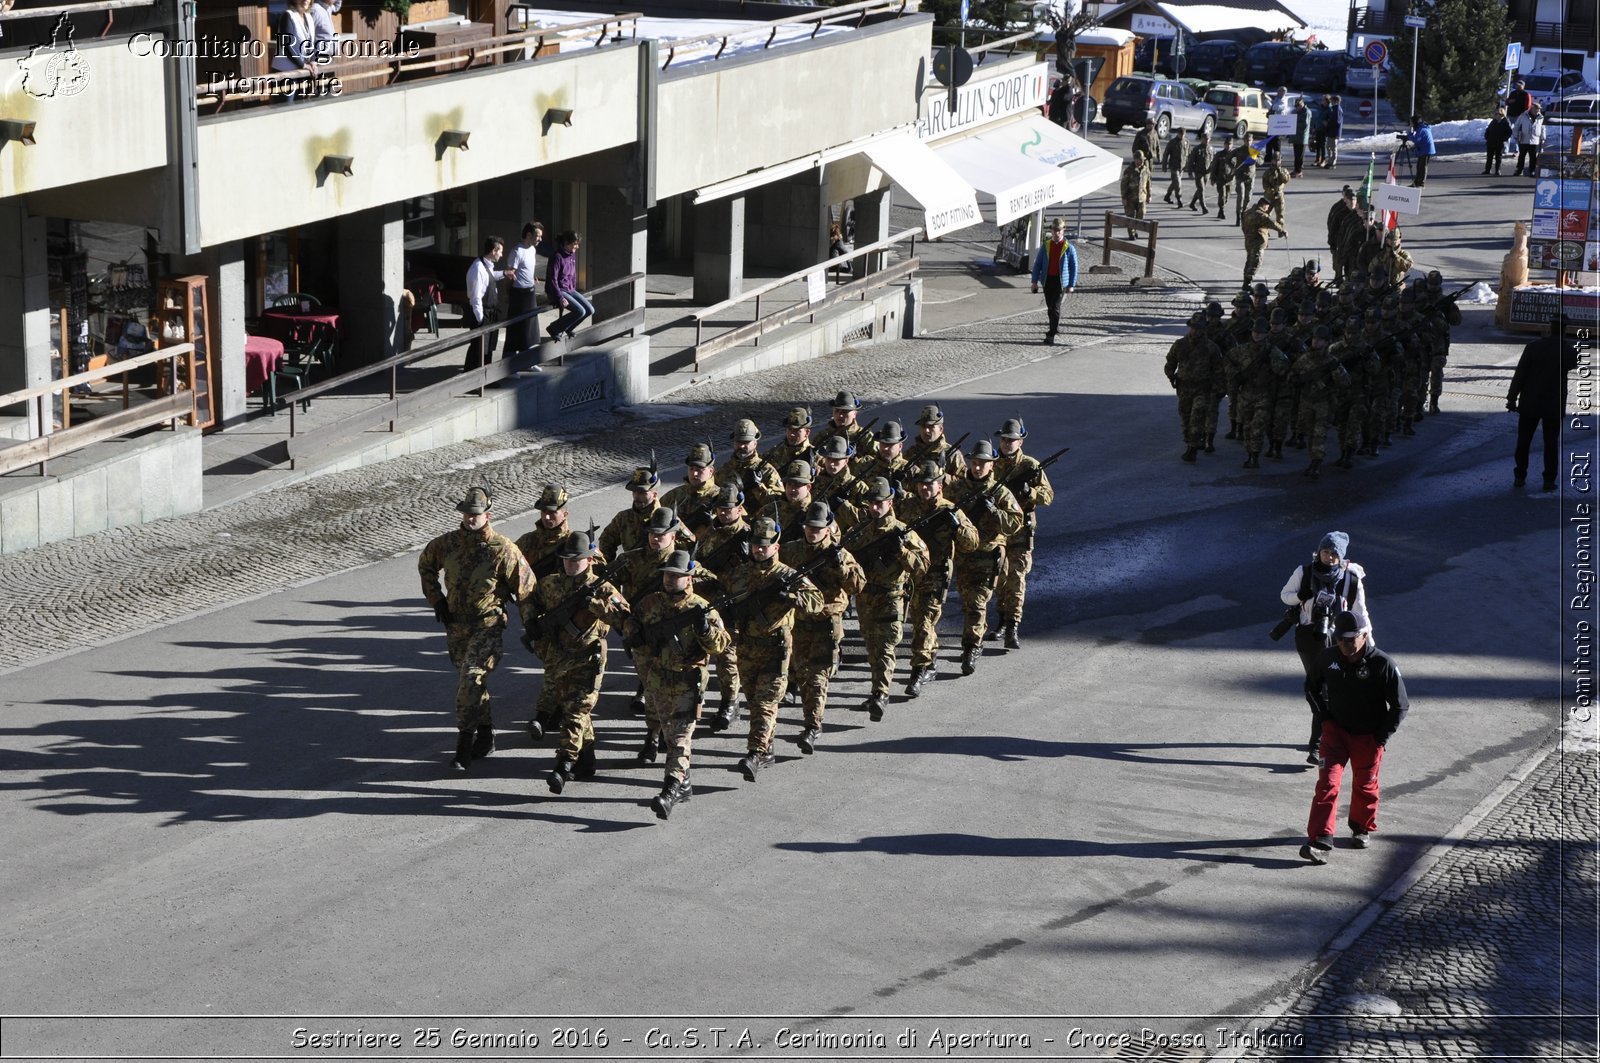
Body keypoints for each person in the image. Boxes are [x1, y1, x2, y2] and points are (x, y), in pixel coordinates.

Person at [417, 486, 537, 772]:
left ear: (488, 515)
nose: (471, 519)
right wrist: (437, 600)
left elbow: (527, 588)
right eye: (467, 514)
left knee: (470, 679)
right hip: (457, 627)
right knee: (472, 681)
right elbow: (426, 566)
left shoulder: (503, 549)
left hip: (488, 626)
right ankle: (485, 733)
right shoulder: (446, 544)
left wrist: (533, 624)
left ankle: (464, 745)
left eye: (476, 515)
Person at [624, 549, 732, 820]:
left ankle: (669, 791)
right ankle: (683, 783)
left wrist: (704, 630)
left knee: (680, 739)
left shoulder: (702, 608)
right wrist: (635, 636)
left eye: (677, 576)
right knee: (670, 737)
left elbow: (721, 645)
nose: (671, 580)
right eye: (668, 575)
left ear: (690, 577)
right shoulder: (649, 604)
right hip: (658, 681)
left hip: (687, 682)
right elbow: (632, 626)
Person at [526, 529, 631, 795]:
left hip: (589, 658)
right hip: (558, 656)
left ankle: (564, 763)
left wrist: (597, 606)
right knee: (575, 710)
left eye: (577, 559)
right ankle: (587, 758)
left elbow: (625, 618)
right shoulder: (549, 584)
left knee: (574, 712)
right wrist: (533, 623)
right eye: (567, 559)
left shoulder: (604, 588)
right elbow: (530, 601)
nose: (571, 564)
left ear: (590, 560)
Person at [719, 516, 824, 780]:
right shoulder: (739, 574)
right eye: (756, 544)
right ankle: (767, 749)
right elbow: (724, 601)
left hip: (775, 651)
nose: (759, 549)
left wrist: (790, 597)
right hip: (745, 650)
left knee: (766, 703)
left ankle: (754, 754)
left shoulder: (787, 576)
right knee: (755, 702)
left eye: (765, 545)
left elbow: (817, 601)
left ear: (776, 546)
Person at [1300, 610, 1408, 864]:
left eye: (1350, 639)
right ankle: (1320, 840)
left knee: (1365, 785)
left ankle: (1361, 827)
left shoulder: (1383, 664)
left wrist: (1380, 737)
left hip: (1368, 737)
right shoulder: (1328, 658)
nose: (1344, 644)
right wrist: (1324, 718)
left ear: (1365, 635)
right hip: (1335, 733)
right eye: (1340, 639)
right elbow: (1311, 687)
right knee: (1327, 784)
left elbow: (1400, 706)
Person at [779, 502, 865, 753]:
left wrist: (840, 566)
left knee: (817, 676)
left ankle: (812, 726)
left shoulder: (839, 554)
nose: (812, 532)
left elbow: (857, 586)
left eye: (818, 528)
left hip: (827, 622)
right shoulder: (791, 550)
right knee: (799, 672)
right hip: (798, 621)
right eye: (809, 527)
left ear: (828, 528)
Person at [1279, 531, 1372, 764]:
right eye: (1325, 552)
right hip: (1308, 638)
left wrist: (1369, 645)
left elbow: (1361, 613)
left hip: (1340, 639)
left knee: (1329, 690)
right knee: (1319, 689)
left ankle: (1318, 744)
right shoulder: (1304, 572)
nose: (1329, 557)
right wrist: (1301, 595)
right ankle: (1325, 739)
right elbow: (1285, 595)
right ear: (1318, 552)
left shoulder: (1351, 579)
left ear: (1341, 557)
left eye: (1334, 554)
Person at [897, 460, 979, 698]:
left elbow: (972, 542)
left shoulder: (949, 510)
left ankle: (918, 670)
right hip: (909, 573)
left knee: (924, 621)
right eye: (922, 484)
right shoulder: (907, 506)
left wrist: (957, 528)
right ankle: (931, 657)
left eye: (930, 484)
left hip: (935, 574)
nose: (925, 488)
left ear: (940, 485)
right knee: (917, 620)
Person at [850, 477, 929, 719]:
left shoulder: (902, 532)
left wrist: (902, 552)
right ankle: (876, 689)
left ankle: (881, 694)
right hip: (865, 599)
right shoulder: (858, 531)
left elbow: (923, 564)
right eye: (871, 503)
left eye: (880, 503)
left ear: (890, 502)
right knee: (872, 647)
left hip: (891, 597)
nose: (875, 508)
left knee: (885, 647)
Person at [945, 441, 1024, 675]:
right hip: (963, 556)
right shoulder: (957, 489)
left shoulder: (999, 492)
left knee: (977, 604)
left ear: (992, 465)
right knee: (968, 602)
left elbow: (1015, 523)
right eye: (976, 463)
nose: (978, 467)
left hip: (988, 556)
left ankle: (971, 647)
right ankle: (973, 638)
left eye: (984, 464)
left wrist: (995, 512)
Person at [990, 419, 1055, 648]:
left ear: (1021, 441)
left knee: (1017, 579)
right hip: (997, 529)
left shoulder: (1030, 466)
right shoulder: (992, 462)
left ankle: (1012, 626)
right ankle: (1000, 619)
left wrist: (1031, 492)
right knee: (999, 576)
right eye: (1004, 439)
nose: (1007, 443)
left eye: (1012, 440)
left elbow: (1048, 496)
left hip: (1020, 530)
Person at [1507, 315, 1580, 490]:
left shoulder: (1533, 347)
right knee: (1551, 443)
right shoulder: (1568, 351)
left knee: (1524, 441)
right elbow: (1574, 363)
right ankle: (1549, 480)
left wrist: (1511, 398)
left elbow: (1520, 374)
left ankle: (1520, 476)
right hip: (1553, 404)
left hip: (1529, 401)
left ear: (1549, 327)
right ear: (1564, 329)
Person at [1165, 312, 1224, 462]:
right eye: (1193, 328)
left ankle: (1192, 448)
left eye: (1199, 328)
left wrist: (1219, 388)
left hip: (1202, 388)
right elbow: (1170, 361)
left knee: (1197, 417)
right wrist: (1171, 374)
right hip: (1184, 387)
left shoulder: (1211, 348)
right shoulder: (1180, 344)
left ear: (1204, 329)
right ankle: (1190, 441)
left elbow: (1218, 370)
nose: (1195, 331)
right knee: (1185, 418)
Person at [464, 236, 511, 371]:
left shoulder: (486, 265)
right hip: (482, 314)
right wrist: (481, 320)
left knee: (488, 348)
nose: (502, 255)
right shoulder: (478, 269)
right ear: (493, 251)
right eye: (500, 251)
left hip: (490, 313)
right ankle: (473, 380)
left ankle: (486, 378)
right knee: (478, 349)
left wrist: (504, 273)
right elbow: (476, 298)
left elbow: (491, 276)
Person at [717, 418, 784, 513]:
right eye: (738, 442)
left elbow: (779, 503)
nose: (741, 446)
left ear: (755, 443)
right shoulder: (724, 470)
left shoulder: (767, 470)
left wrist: (759, 487)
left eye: (746, 442)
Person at [1030, 218, 1078, 345]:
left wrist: (1072, 285)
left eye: (1059, 230)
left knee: (1055, 307)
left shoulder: (1068, 248)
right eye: (1054, 230)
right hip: (1047, 280)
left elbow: (1074, 266)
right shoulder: (1046, 246)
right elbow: (1037, 264)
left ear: (1063, 231)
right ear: (1051, 230)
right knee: (1050, 307)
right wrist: (1034, 282)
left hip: (1060, 282)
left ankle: (1051, 334)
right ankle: (1054, 328)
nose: (1057, 233)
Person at [661, 443, 722, 537]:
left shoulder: (721, 497)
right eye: (691, 469)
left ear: (711, 471)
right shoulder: (674, 495)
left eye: (700, 469)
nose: (694, 473)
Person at [505, 221, 544, 359]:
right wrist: (509, 293)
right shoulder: (517, 251)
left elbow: (526, 268)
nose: (540, 239)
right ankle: (509, 362)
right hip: (519, 293)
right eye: (537, 236)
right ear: (528, 234)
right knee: (517, 328)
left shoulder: (532, 250)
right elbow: (510, 274)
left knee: (530, 328)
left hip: (530, 291)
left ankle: (526, 360)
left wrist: (532, 277)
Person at [544, 230, 593, 340]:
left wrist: (573, 289)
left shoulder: (572, 255)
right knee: (580, 311)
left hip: (569, 289)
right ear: (566, 243)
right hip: (558, 291)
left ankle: (568, 327)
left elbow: (572, 274)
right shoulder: (557, 257)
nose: (577, 247)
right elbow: (553, 279)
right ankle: (554, 328)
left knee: (590, 309)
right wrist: (560, 297)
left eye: (577, 244)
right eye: (574, 244)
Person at [1240, 198, 1286, 287]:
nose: (1267, 209)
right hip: (1257, 241)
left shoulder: (1248, 212)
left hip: (1249, 240)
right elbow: (1271, 223)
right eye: (1267, 207)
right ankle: (1247, 284)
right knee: (1256, 262)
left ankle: (1246, 281)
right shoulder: (1259, 215)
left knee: (1249, 261)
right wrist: (1282, 230)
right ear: (1263, 205)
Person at [271, 0, 316, 73]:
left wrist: (313, 61)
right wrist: (303, 65)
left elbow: (312, 43)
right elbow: (286, 45)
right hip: (284, 71)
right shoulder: (288, 15)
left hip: (302, 71)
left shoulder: (309, 17)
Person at [1120, 154, 1151, 238]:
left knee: (1141, 214)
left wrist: (1149, 195)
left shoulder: (1146, 170)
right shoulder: (1129, 170)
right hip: (1130, 197)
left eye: (1141, 160)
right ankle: (1131, 234)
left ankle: (1134, 229)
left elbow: (1148, 183)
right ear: (1135, 160)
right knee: (1130, 216)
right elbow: (1123, 184)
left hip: (1142, 197)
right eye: (1138, 160)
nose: (1140, 161)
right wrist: (1123, 197)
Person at [1512, 102, 1545, 177]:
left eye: (1539, 109)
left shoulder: (1541, 117)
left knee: (1533, 157)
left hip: (1535, 140)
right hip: (1524, 139)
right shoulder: (1523, 115)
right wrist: (1516, 136)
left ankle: (1532, 170)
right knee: (1522, 156)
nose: (1538, 110)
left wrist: (1543, 138)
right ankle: (1519, 169)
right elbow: (1516, 126)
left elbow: (1543, 128)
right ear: (1532, 108)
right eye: (1536, 109)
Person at [1185, 131, 1213, 213]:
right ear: (1202, 139)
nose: (1206, 141)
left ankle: (1192, 203)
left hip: (1207, 173)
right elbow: (1191, 162)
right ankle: (1204, 207)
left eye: (1208, 139)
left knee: (1200, 190)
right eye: (1205, 139)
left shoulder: (1211, 149)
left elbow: (1213, 161)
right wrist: (1190, 173)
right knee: (1201, 189)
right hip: (1198, 173)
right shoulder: (1197, 149)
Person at [1407, 116, 1436, 187]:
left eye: (1412, 122)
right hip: (1424, 149)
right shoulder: (1422, 128)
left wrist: (1409, 135)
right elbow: (1418, 140)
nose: (1411, 124)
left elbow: (1416, 139)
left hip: (1426, 150)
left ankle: (1421, 182)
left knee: (1422, 166)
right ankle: (1417, 181)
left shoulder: (1421, 129)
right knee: (1419, 166)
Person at [1484, 107, 1513, 176]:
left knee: (1498, 157)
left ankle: (1497, 170)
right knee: (1489, 157)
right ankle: (1487, 169)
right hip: (1491, 141)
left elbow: (1509, 132)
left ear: (1502, 114)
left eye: (1498, 114)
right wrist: (1487, 137)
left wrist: (1503, 139)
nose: (1497, 115)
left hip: (1499, 142)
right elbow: (1488, 130)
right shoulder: (1493, 121)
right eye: (1496, 114)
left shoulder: (1506, 122)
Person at [1161, 130, 1186, 205]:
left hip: (1181, 166)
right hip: (1173, 166)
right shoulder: (1172, 142)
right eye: (1180, 134)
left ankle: (1167, 196)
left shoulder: (1186, 142)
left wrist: (1188, 165)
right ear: (1177, 134)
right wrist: (1164, 166)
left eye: (1183, 134)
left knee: (1175, 183)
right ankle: (1179, 199)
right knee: (1178, 183)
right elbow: (1166, 154)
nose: (1182, 136)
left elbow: (1188, 154)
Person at [1322, 94, 1342, 168]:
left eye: (1333, 100)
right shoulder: (1333, 109)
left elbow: (1337, 122)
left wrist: (1328, 123)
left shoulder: (1338, 110)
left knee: (1333, 147)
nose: (1331, 102)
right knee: (1328, 147)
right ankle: (1329, 160)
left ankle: (1333, 162)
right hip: (1330, 131)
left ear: (1336, 101)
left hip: (1334, 132)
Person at [1291, 97, 1309, 176]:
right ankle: (1296, 169)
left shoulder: (1306, 112)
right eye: (1296, 106)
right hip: (1296, 136)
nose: (1296, 108)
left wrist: (1294, 123)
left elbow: (1305, 125)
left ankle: (1299, 171)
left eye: (1298, 106)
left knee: (1300, 155)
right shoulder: (1297, 112)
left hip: (1302, 137)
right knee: (1296, 154)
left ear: (1301, 104)